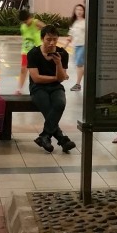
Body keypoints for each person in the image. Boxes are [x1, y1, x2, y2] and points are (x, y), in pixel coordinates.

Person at [27, 25, 76, 153]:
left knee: (60, 104)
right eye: (48, 39)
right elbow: (36, 78)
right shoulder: (33, 53)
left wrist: (58, 63)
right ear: (42, 39)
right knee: (48, 107)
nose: (52, 43)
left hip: (56, 87)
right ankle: (62, 139)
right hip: (38, 88)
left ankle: (45, 136)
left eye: (55, 39)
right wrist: (57, 77)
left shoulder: (62, 54)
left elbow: (61, 79)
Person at [16, 9, 46, 95]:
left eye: (26, 21)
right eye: (23, 22)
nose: (25, 23)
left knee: (37, 70)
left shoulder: (36, 22)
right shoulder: (23, 27)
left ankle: (40, 87)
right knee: (23, 69)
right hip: (25, 51)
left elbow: (47, 29)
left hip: (36, 50)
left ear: (30, 17)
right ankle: (19, 89)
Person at [67, 3, 86, 91]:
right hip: (76, 46)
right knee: (79, 66)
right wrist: (64, 47)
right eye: (77, 9)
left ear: (84, 11)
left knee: (79, 64)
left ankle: (78, 84)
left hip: (83, 45)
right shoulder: (73, 23)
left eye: (81, 10)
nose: (79, 11)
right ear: (74, 11)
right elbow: (70, 36)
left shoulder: (85, 22)